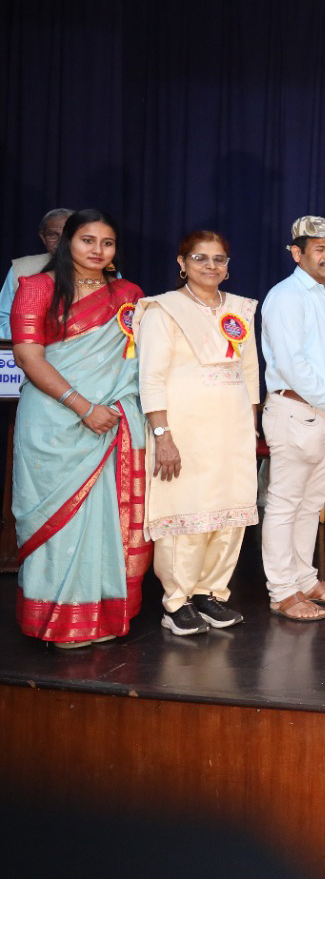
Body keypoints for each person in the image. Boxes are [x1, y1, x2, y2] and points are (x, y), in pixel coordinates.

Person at [9, 210, 149, 645]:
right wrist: (82, 406)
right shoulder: (36, 288)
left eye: (106, 242)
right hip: (55, 423)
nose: (97, 250)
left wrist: (113, 410)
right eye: (87, 240)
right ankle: (53, 618)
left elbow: (136, 362)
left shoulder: (129, 295)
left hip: (112, 421)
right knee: (58, 521)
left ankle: (102, 614)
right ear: (68, 241)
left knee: (106, 515)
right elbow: (29, 358)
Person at [133, 230, 259, 636]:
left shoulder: (238, 310)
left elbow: (250, 373)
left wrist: (251, 425)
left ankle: (210, 594)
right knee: (187, 513)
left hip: (233, 429)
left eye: (219, 259)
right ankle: (177, 601)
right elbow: (150, 377)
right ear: (182, 263)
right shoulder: (162, 310)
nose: (211, 266)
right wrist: (162, 434)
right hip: (183, 429)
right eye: (201, 258)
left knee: (229, 513)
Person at [259, 215, 325, 622]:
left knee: (312, 503)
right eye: (319, 248)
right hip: (298, 412)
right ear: (296, 252)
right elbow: (291, 363)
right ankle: (282, 591)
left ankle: (304, 578)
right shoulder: (285, 296)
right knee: (285, 503)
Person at [0, 208, 71, 339]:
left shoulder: (103, 270)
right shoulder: (21, 268)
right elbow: (2, 317)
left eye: (68, 235)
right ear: (43, 238)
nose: (61, 242)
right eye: (53, 235)